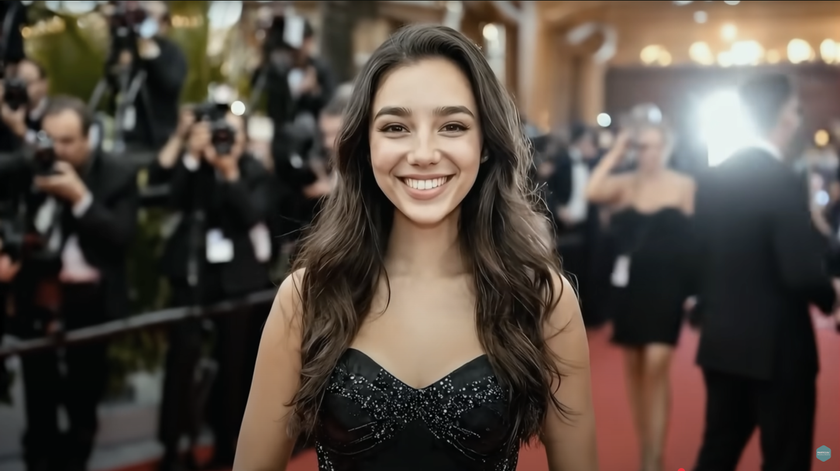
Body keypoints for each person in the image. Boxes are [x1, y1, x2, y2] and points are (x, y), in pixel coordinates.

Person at [234, 24, 598, 470]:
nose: (423, 153)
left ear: (485, 143)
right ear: (365, 144)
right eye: (396, 127)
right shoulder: (307, 297)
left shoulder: (543, 300)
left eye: (452, 126)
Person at [692, 73, 840, 471]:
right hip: (779, 348)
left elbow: (700, 254)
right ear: (786, 116)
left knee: (717, 452)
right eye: (795, 109)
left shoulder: (713, 177)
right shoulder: (781, 179)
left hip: (722, 339)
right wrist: (831, 295)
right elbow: (798, 270)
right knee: (785, 459)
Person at [0, 96, 138, 471]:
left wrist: (80, 199)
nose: (57, 150)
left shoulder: (117, 173)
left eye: (67, 141)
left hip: (90, 302)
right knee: (38, 395)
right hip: (36, 296)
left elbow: (122, 237)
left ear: (89, 137)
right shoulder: (29, 166)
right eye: (50, 139)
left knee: (83, 399)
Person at [586, 122, 695, 471]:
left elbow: (696, 242)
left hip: (668, 287)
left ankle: (654, 459)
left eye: (655, 146)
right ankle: (646, 443)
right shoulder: (626, 184)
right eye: (642, 147)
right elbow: (592, 190)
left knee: (656, 365)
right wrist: (616, 153)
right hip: (630, 289)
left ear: (666, 147)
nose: (649, 153)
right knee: (634, 369)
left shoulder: (683, 185)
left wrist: (694, 289)